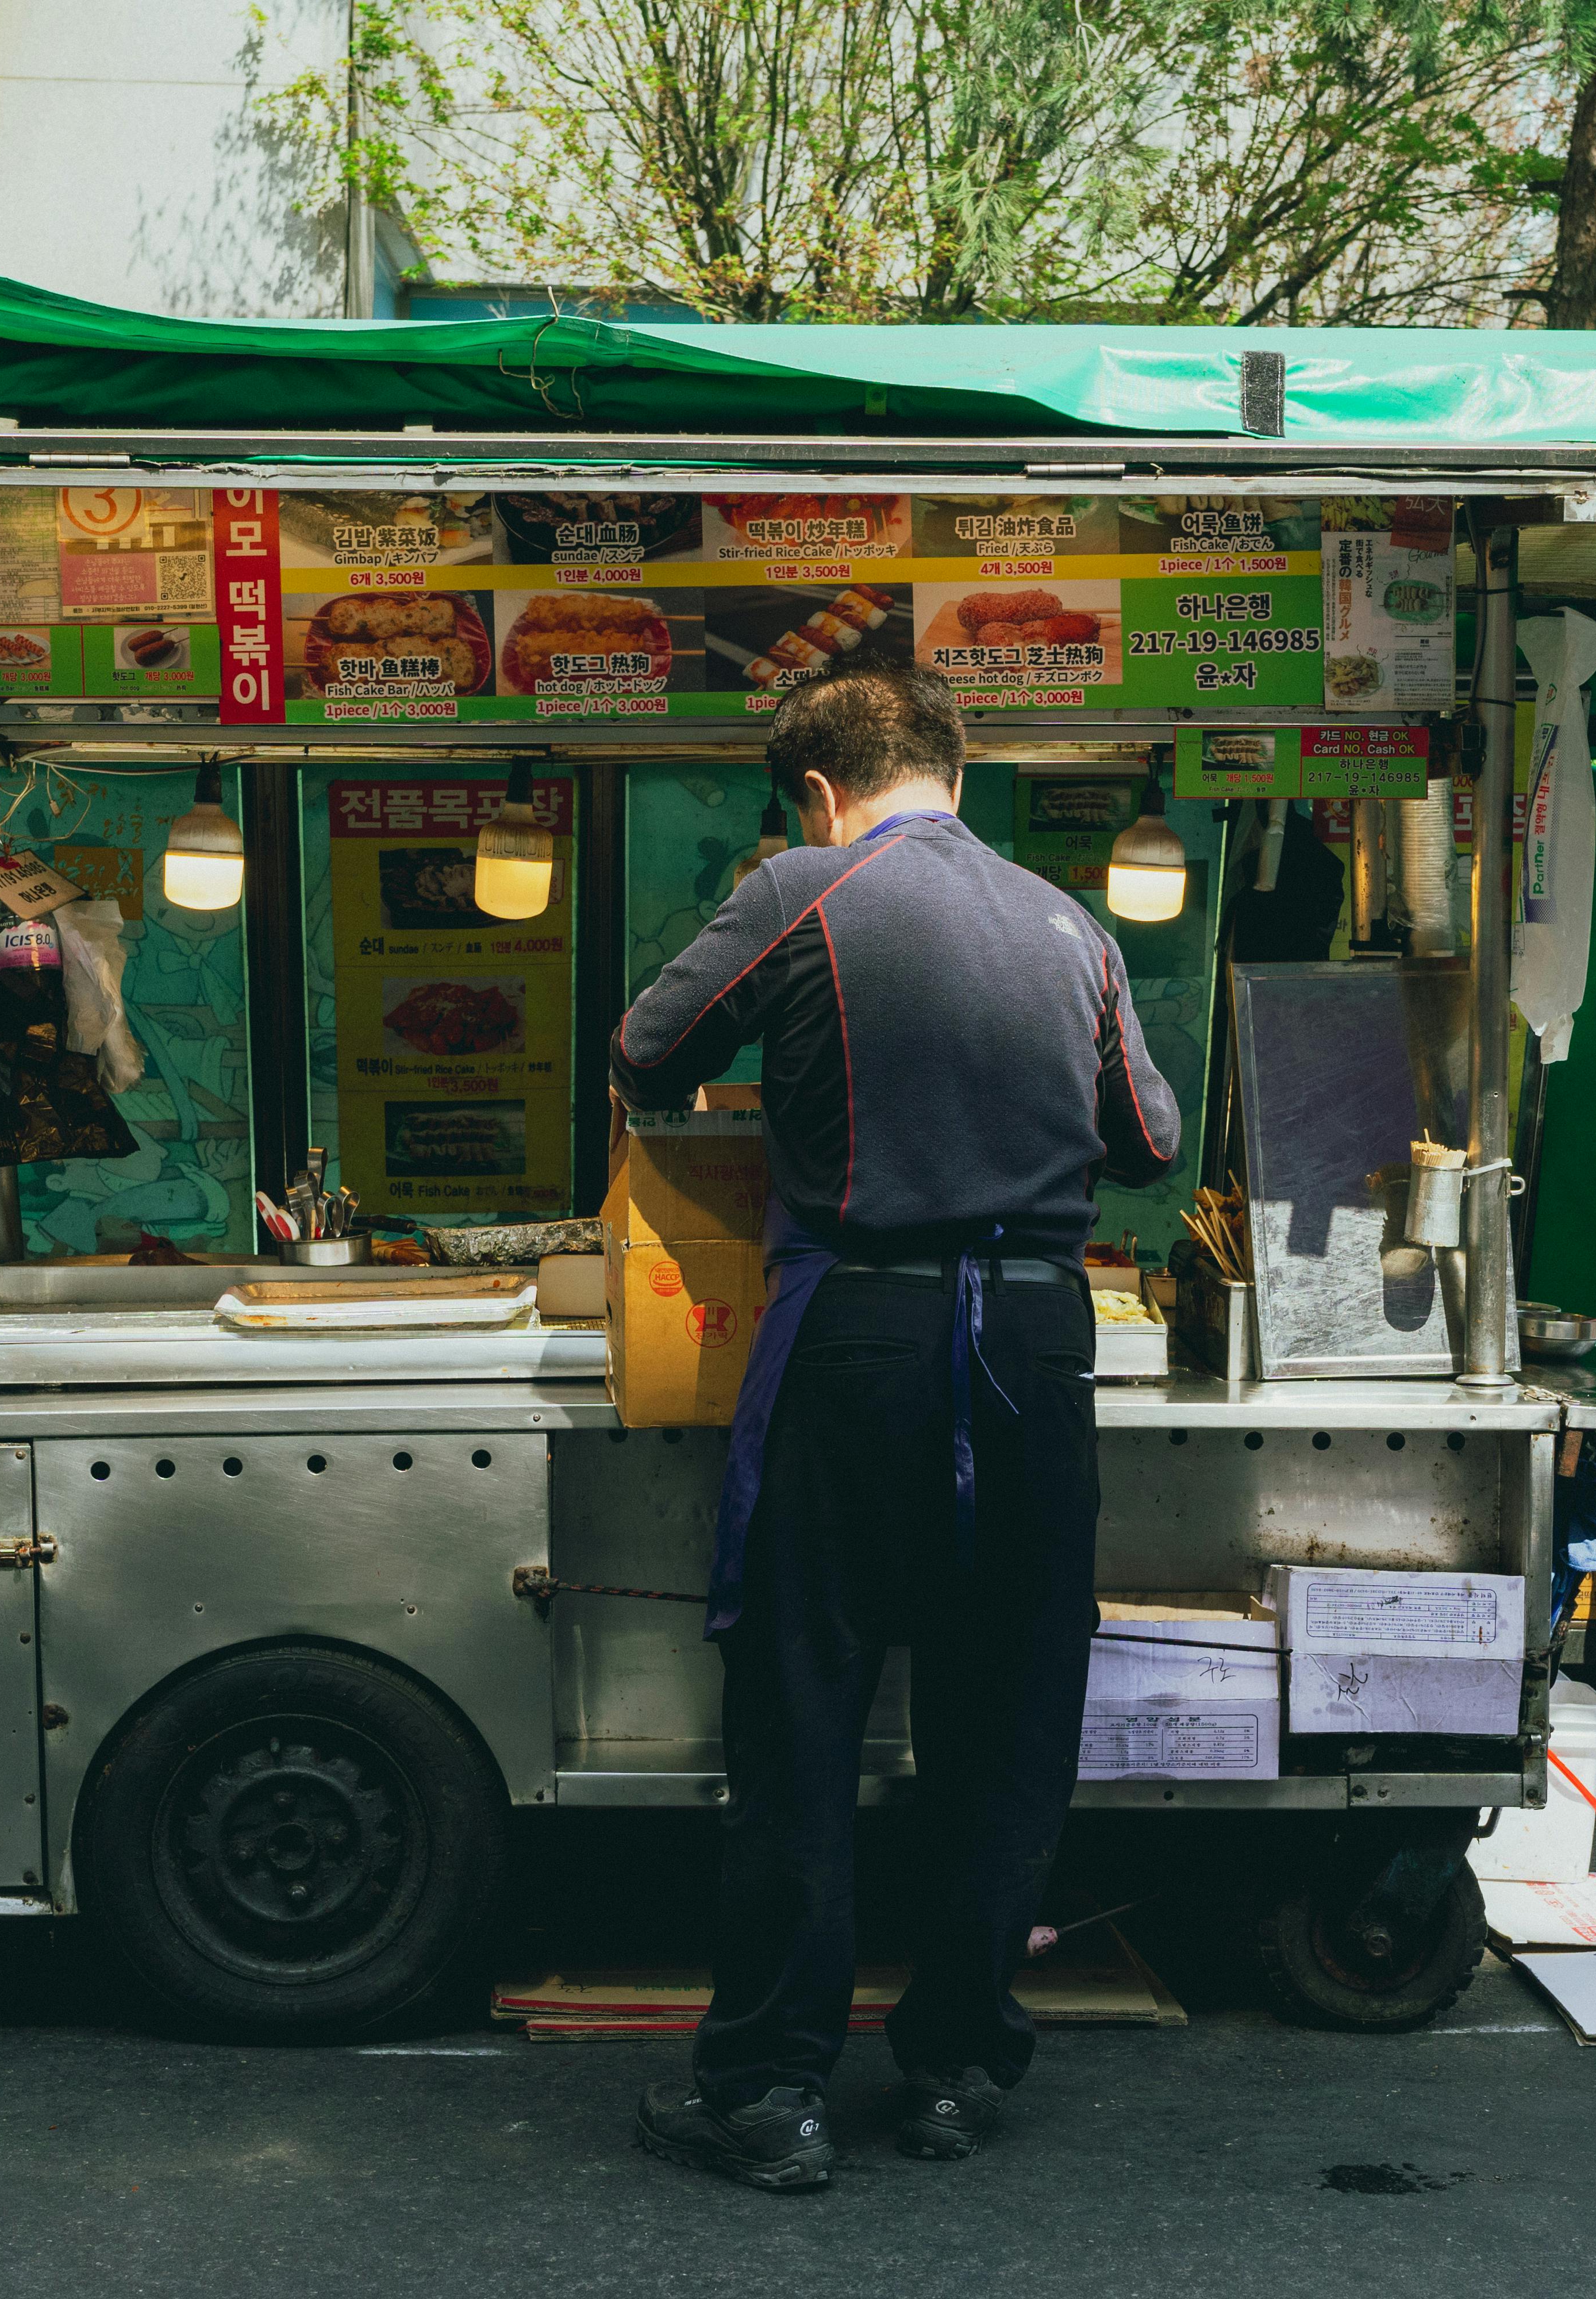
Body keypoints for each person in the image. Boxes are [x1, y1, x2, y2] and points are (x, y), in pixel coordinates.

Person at [610, 661, 1180, 2190]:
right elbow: (1150, 1140)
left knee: (801, 1720)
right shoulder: (1072, 925)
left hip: (861, 1335)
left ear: (815, 789)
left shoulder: (800, 887)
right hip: (1038, 1352)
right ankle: (953, 2072)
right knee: (1004, 1731)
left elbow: (647, 1053)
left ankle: (774, 2093)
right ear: (956, 770)